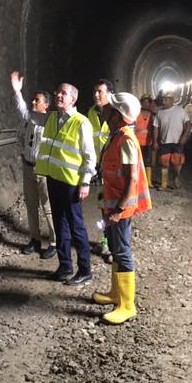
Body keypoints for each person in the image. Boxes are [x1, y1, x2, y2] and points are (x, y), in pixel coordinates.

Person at [92, 92, 151, 324]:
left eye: (109, 108)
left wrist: (118, 210)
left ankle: (127, 306)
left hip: (120, 208)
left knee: (123, 252)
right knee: (116, 249)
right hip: (112, 205)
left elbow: (132, 179)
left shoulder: (126, 139)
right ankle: (116, 294)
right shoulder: (116, 134)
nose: (104, 110)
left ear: (117, 115)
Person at [35, 83, 96, 285]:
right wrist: (17, 92)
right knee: (60, 225)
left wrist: (85, 182)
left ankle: (85, 270)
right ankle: (65, 266)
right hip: (54, 179)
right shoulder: (52, 118)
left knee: (76, 226)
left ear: (73, 99)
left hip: (71, 183)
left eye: (63, 93)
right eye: (57, 92)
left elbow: (89, 155)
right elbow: (28, 117)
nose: (58, 95)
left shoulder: (81, 122)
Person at [10, 71, 57, 259]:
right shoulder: (29, 121)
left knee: (48, 207)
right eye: (33, 100)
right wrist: (23, 153)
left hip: (43, 170)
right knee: (31, 205)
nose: (33, 103)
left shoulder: (49, 122)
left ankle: (54, 242)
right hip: (28, 167)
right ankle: (35, 239)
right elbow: (20, 136)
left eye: (37, 100)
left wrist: (17, 93)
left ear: (46, 104)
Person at [87, 79, 114, 262]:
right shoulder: (91, 112)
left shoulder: (117, 112)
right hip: (98, 168)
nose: (97, 94)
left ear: (110, 93)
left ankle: (116, 245)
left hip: (114, 169)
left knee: (115, 207)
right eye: (95, 91)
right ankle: (106, 241)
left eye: (100, 91)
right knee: (103, 207)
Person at [152, 91, 191, 190]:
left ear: (171, 100)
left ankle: (176, 176)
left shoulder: (180, 111)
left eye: (166, 99)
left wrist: (185, 136)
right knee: (164, 163)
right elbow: (156, 127)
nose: (163, 102)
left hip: (178, 141)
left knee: (177, 162)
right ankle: (164, 184)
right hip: (164, 142)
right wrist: (155, 141)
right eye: (163, 99)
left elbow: (188, 124)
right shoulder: (159, 112)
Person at [136, 94, 154, 188]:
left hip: (148, 142)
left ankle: (148, 182)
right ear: (141, 103)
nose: (146, 104)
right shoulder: (136, 114)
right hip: (137, 142)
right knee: (137, 162)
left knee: (148, 162)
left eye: (148, 102)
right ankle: (138, 181)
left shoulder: (152, 115)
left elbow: (155, 129)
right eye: (144, 102)